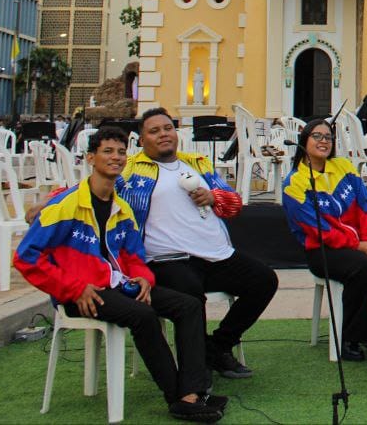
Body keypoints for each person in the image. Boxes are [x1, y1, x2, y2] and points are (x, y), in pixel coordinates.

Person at [15, 127, 226, 422]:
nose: (116, 157)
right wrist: (73, 288)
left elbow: (134, 257)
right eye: (107, 151)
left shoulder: (122, 207)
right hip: (81, 293)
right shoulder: (66, 205)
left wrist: (143, 277)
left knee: (189, 305)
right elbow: (26, 257)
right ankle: (178, 397)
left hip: (117, 287)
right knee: (143, 316)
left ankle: (192, 391)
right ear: (90, 158)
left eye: (120, 152)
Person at [118, 108, 277, 379]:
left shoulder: (198, 163)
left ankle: (216, 347)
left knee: (264, 280)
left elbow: (234, 204)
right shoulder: (130, 170)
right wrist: (49, 201)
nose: (163, 134)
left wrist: (214, 197)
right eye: (154, 131)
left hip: (216, 255)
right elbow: (89, 187)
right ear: (142, 141)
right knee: (191, 296)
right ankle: (197, 371)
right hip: (168, 259)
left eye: (167, 128)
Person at [282, 118, 367, 360]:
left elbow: (365, 207)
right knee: (363, 268)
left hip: (362, 241)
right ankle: (350, 337)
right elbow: (317, 229)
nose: (324, 141)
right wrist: (358, 246)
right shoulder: (294, 183)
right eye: (317, 136)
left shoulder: (345, 168)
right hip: (322, 249)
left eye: (328, 137)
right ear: (304, 141)